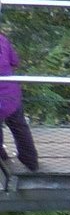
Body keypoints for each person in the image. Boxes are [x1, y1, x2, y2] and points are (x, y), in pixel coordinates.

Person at [0, 29, 40, 173]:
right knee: (20, 127)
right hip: (10, 94)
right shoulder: (2, 40)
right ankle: (31, 162)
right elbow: (15, 62)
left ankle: (2, 161)